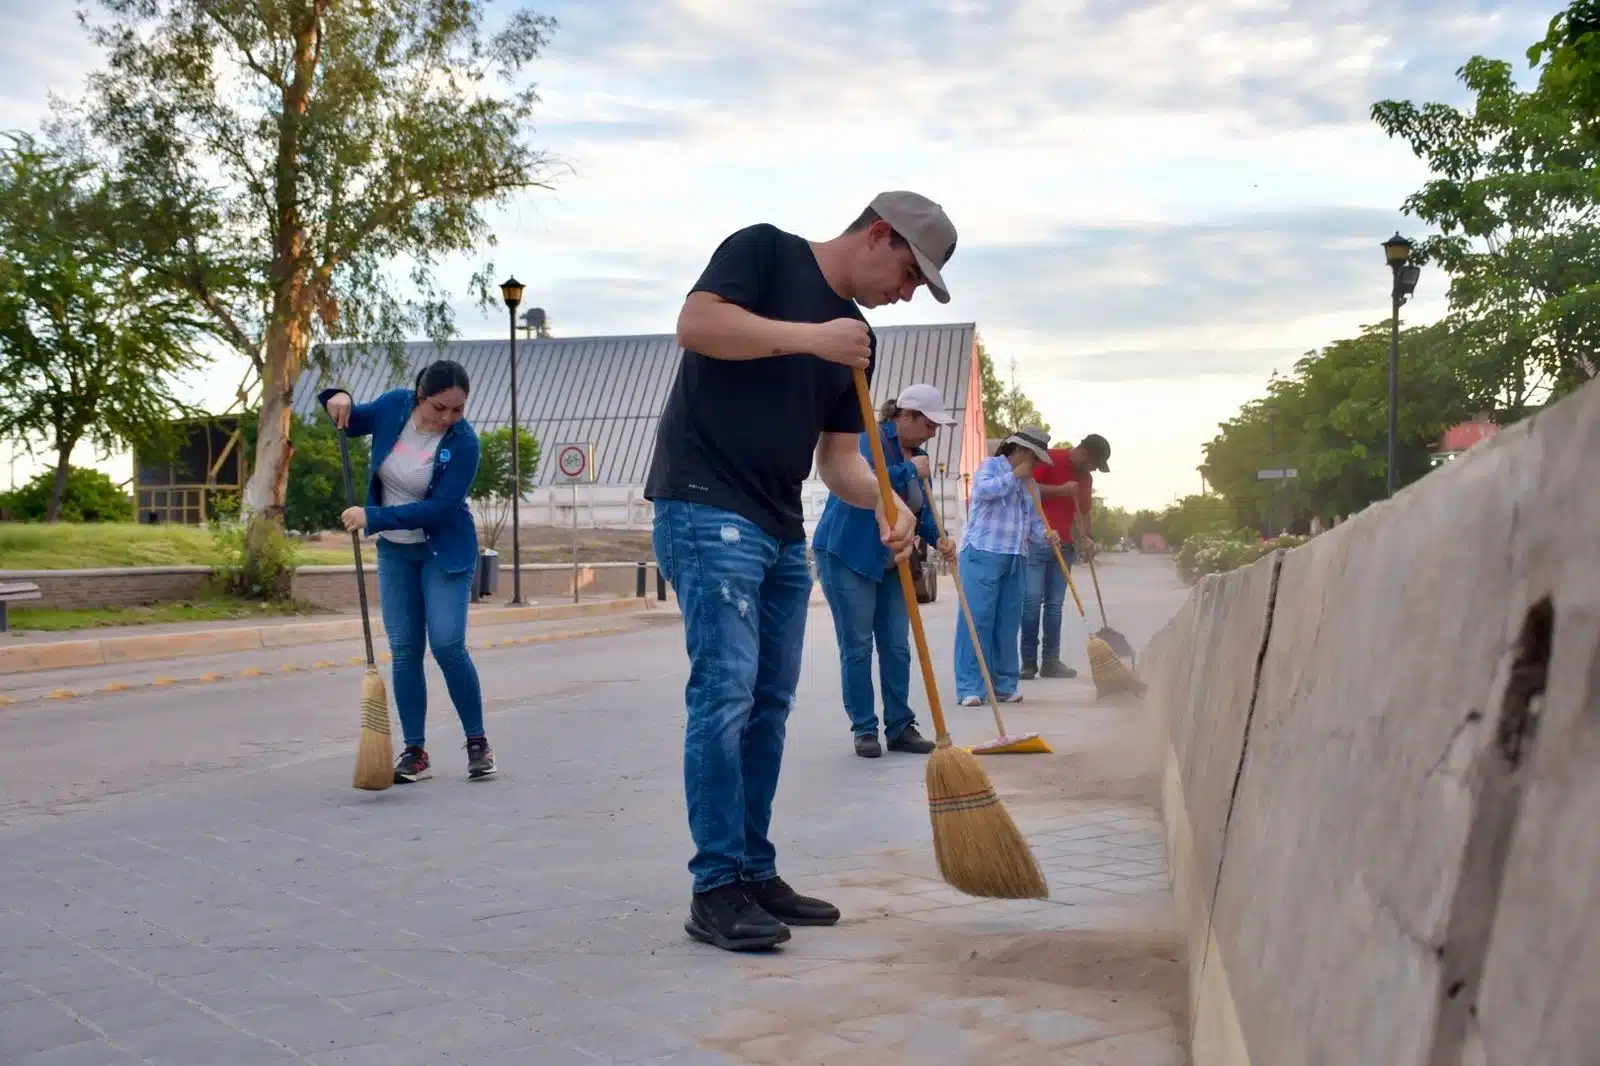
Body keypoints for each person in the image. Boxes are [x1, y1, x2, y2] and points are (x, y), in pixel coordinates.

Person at [644, 190, 957, 953]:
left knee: (769, 705)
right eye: (912, 273)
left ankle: (753, 868)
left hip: (782, 525)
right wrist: (812, 337)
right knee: (724, 695)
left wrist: (889, 505)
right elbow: (697, 326)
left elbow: (839, 461)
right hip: (704, 502)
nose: (908, 293)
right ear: (878, 235)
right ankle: (715, 887)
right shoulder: (764, 251)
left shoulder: (856, 342)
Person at [321, 361, 495, 784]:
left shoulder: (464, 443)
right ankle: (415, 752)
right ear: (421, 396)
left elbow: (438, 510)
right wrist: (335, 397)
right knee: (404, 649)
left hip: (444, 550)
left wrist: (373, 516)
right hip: (396, 554)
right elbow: (349, 418)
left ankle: (477, 742)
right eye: (441, 408)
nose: (449, 418)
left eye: (458, 410)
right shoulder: (395, 406)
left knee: (448, 644)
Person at [812, 383, 959, 759]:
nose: (933, 432)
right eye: (929, 423)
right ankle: (864, 728)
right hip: (849, 553)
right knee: (857, 646)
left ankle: (900, 726)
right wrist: (907, 468)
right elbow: (868, 482)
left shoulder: (919, 456)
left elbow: (918, 508)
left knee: (896, 645)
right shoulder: (866, 438)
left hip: (893, 558)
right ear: (904, 416)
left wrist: (938, 537)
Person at [953, 425, 1060, 707]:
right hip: (982, 553)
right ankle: (970, 688)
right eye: (1034, 458)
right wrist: (1014, 477)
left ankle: (1003, 685)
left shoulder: (1031, 485)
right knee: (977, 620)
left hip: (1016, 557)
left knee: (1007, 623)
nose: (1036, 465)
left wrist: (1047, 535)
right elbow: (983, 492)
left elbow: (1034, 523)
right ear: (1022, 451)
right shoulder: (991, 466)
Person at [1020, 433, 1111, 681]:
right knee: (1030, 602)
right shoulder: (1050, 459)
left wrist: (1088, 537)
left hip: (1065, 547)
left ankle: (1050, 662)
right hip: (1036, 542)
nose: (1092, 469)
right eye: (1093, 463)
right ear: (1083, 452)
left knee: (1054, 607)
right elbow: (1028, 488)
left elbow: (1084, 511)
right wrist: (1061, 490)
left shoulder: (1086, 479)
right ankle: (1028, 662)